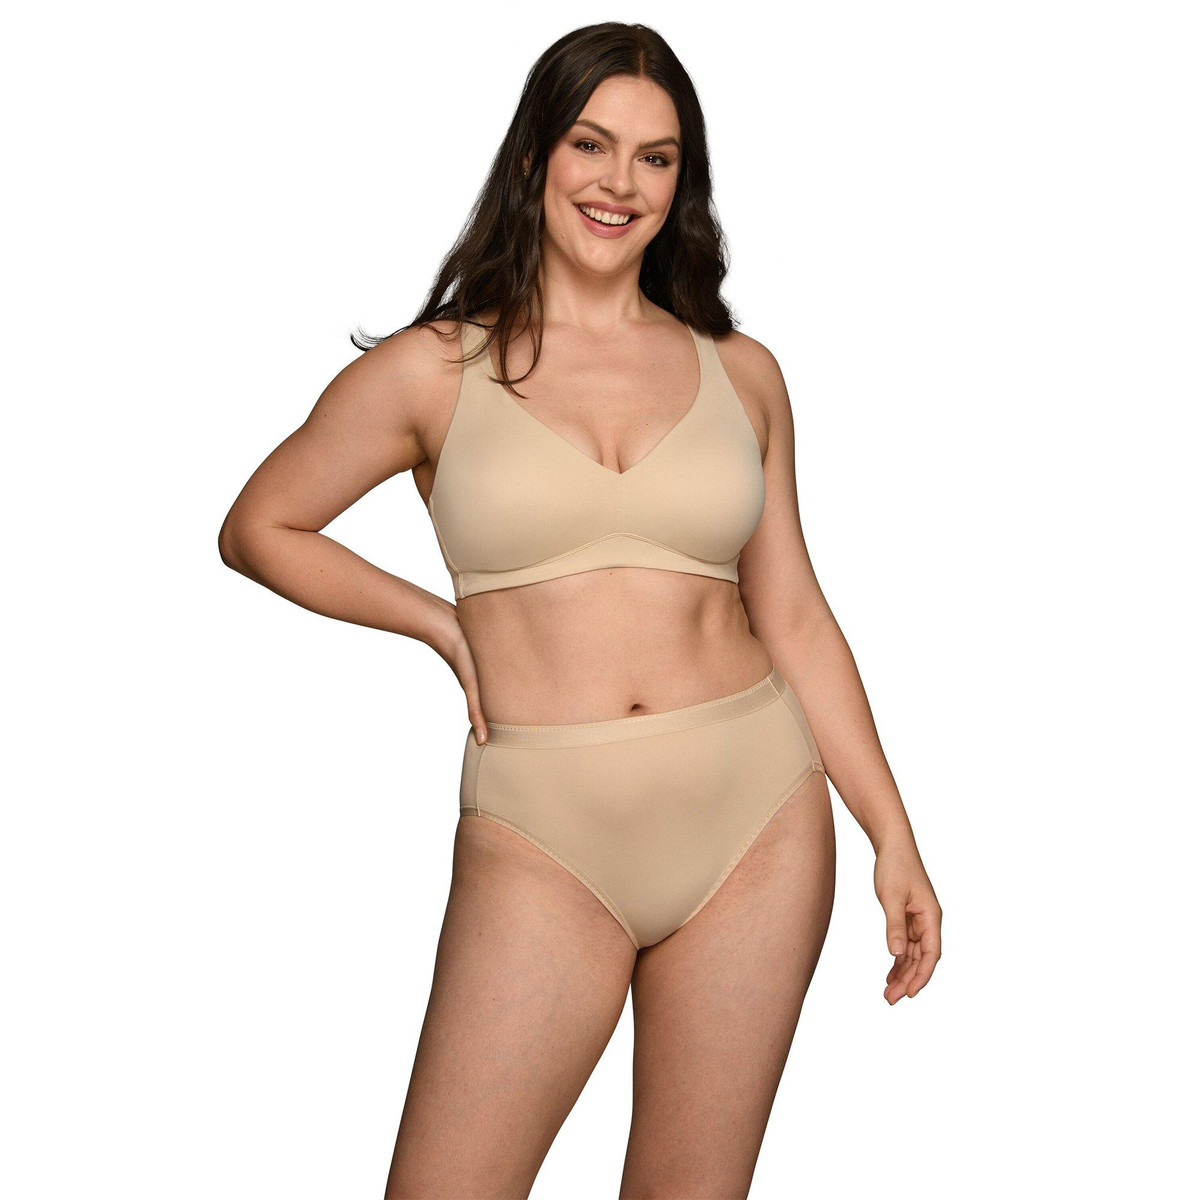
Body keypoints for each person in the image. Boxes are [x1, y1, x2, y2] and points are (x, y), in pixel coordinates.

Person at [218, 21, 942, 1200]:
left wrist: (893, 833)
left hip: (756, 818)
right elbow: (260, 526)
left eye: (656, 157)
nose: (620, 183)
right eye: (591, 145)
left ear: (681, 182)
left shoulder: (740, 372)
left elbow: (797, 615)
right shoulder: (432, 369)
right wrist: (439, 624)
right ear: (533, 158)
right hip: (544, 832)